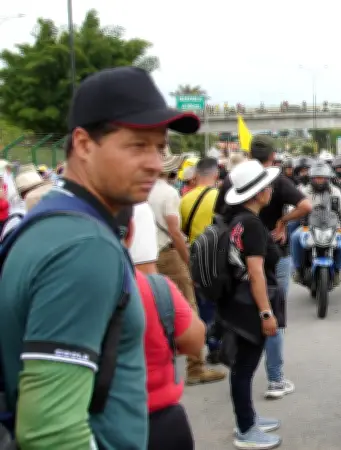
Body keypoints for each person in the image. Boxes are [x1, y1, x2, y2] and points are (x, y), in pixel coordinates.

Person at [0, 66, 200, 449]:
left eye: (160, 147)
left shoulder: (51, 221)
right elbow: (52, 434)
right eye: (137, 146)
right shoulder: (83, 248)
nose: (157, 164)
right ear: (84, 144)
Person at [120, 206, 204, 450]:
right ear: (130, 231)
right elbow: (193, 340)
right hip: (155, 419)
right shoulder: (151, 288)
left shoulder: (49, 291)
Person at [219, 161, 283, 449]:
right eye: (266, 187)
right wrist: (266, 313)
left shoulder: (239, 220)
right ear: (257, 193)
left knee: (243, 368)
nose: (270, 190)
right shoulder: (252, 224)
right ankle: (245, 428)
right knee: (244, 369)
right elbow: (255, 273)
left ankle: (249, 418)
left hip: (238, 302)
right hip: (248, 305)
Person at [150, 148, 225, 385]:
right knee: (189, 310)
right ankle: (195, 368)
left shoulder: (144, 192)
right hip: (170, 255)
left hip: (145, 257)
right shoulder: (169, 194)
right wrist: (188, 263)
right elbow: (175, 230)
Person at [291, 163, 341, 286]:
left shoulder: (335, 191)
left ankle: (337, 271)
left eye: (323, 178)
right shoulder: (304, 191)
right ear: (312, 178)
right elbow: (296, 206)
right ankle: (298, 269)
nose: (320, 181)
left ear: (328, 178)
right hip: (308, 226)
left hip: (333, 227)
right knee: (295, 237)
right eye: (317, 178)